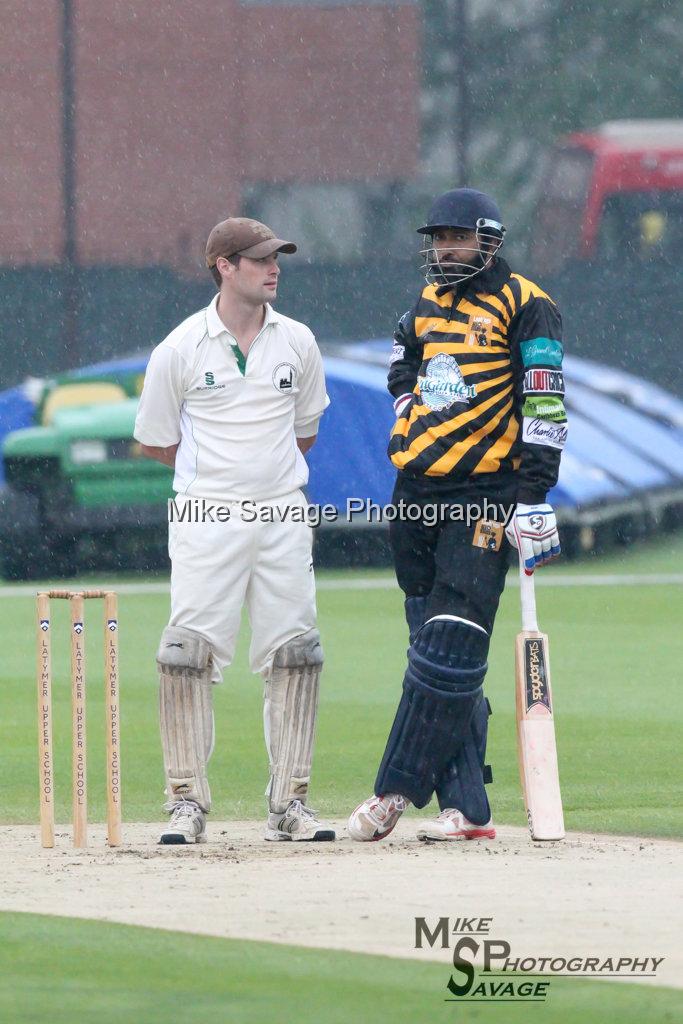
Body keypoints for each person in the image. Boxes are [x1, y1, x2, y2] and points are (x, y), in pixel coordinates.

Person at [347, 188, 567, 843]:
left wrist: (533, 497)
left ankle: (391, 791)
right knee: (433, 648)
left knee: (449, 642)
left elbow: (545, 408)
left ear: (487, 241)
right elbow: (399, 360)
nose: (443, 249)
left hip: (487, 493)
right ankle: (467, 805)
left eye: (456, 238)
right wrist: (407, 408)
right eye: (436, 239)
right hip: (413, 493)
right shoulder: (423, 305)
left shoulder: (529, 306)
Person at [134, 217, 334, 845]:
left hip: (281, 514)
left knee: (296, 652)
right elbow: (155, 441)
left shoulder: (297, 341)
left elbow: (305, 432)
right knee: (187, 654)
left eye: (277, 259)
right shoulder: (180, 348)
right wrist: (219, 483)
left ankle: (290, 804)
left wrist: (263, 484)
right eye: (259, 260)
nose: (273, 269)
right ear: (224, 265)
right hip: (205, 516)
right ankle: (186, 803)